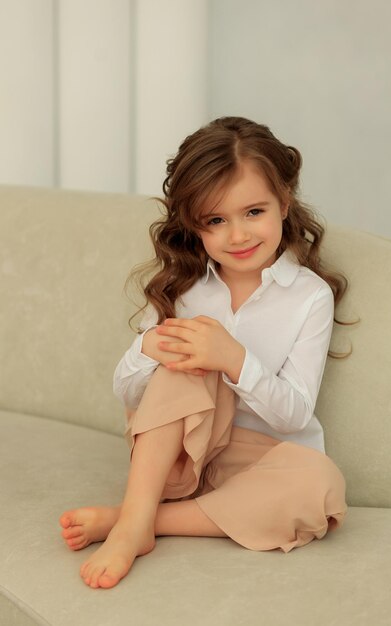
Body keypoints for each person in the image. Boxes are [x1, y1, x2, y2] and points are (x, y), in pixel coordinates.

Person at [59, 116, 348, 590]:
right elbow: (129, 394)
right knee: (180, 360)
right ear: (195, 226)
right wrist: (147, 348)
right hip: (179, 458)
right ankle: (141, 512)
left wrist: (233, 358)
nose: (238, 236)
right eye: (216, 221)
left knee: (322, 486)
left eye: (254, 212)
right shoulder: (187, 288)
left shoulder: (310, 297)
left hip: (259, 462)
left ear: (285, 202)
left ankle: (136, 520)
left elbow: (295, 415)